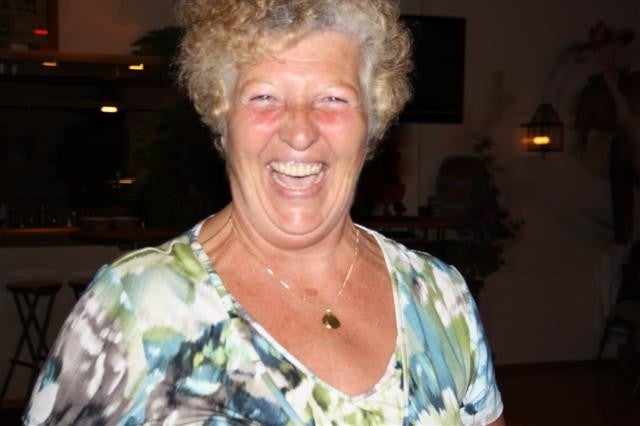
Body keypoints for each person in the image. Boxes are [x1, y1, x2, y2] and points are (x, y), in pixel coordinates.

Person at [23, 0, 505, 424]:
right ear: (222, 120)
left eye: (332, 98)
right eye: (265, 97)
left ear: (372, 123)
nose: (300, 131)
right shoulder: (136, 306)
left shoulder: (441, 297)